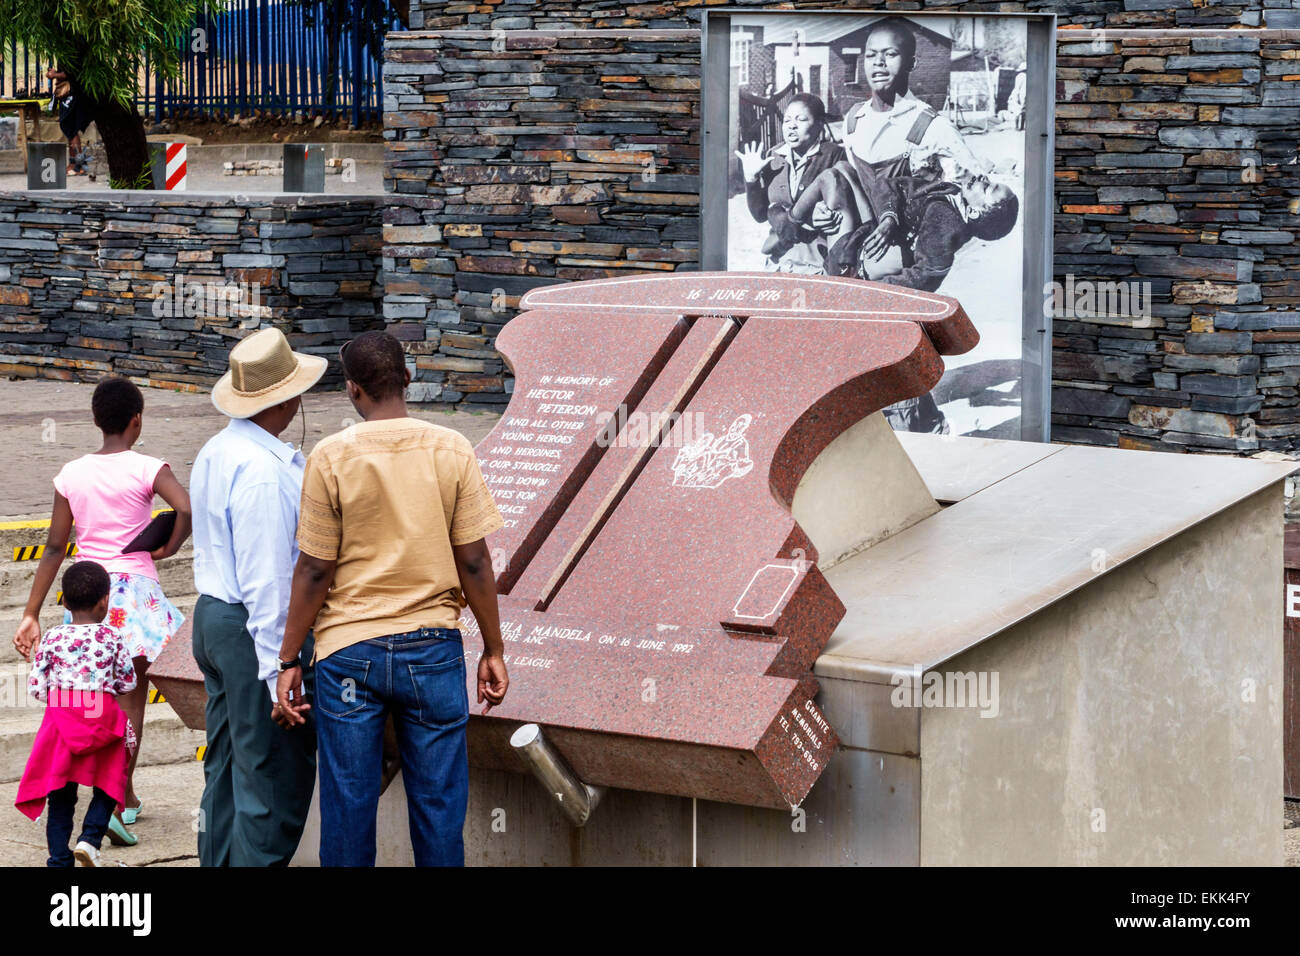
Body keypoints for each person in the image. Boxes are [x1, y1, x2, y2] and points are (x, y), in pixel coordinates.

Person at [275, 330, 509, 868]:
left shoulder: (330, 456)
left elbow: (313, 570)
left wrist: (289, 659)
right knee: (440, 805)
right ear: (407, 378)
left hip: (349, 652)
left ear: (354, 391)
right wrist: (493, 649)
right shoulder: (452, 447)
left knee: (349, 804)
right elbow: (474, 561)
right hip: (433, 648)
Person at [12, 376, 191, 847]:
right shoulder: (148, 466)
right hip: (136, 596)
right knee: (132, 705)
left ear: (94, 420)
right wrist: (168, 546)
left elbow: (54, 548)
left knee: (94, 702)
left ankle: (117, 800)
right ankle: (116, 800)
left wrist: (31, 612)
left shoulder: (71, 473)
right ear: (137, 420)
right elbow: (187, 506)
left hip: (89, 598)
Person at [188, 327, 325, 867]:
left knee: (226, 771)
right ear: (288, 399)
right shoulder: (264, 474)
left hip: (215, 619)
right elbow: (267, 583)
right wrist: (280, 671)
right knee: (271, 785)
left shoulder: (218, 449)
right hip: (251, 629)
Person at [15, 561, 138, 867]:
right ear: (105, 601)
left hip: (61, 723)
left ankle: (59, 859)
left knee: (60, 793)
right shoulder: (113, 636)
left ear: (65, 602)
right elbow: (128, 682)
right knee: (110, 782)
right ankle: (90, 840)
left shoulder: (54, 638)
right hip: (103, 721)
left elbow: (36, 687)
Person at [735, 93, 846, 274]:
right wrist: (751, 179)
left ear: (819, 124)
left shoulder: (834, 155)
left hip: (819, 264)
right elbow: (760, 215)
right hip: (779, 261)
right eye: (787, 121)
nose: (792, 126)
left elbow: (845, 210)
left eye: (801, 119)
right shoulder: (774, 156)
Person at [46, 66, 92, 177]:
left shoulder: (70, 51)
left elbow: (70, 73)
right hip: (71, 94)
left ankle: (78, 165)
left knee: (71, 128)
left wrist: (54, 75)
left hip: (72, 94)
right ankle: (73, 163)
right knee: (70, 129)